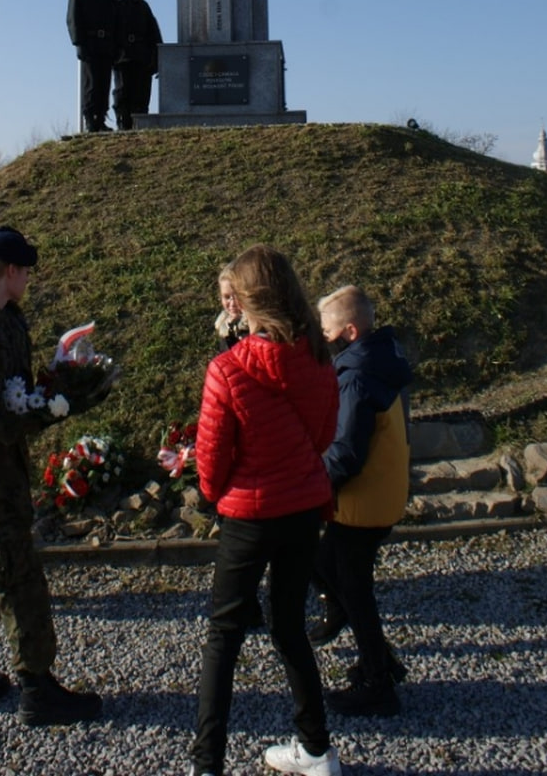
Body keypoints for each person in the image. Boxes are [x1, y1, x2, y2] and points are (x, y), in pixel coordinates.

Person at [0, 225, 106, 724]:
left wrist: (61, 389)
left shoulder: (10, 320)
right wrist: (44, 412)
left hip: (3, 474)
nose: (29, 278)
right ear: (10, 271)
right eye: (26, 269)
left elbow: (20, 388)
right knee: (20, 582)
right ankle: (38, 689)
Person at [189, 244, 342, 776]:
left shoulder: (227, 369)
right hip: (304, 511)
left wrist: (223, 495)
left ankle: (207, 764)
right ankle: (318, 751)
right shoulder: (321, 359)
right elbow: (322, 437)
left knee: (224, 636)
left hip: (249, 518)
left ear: (246, 303)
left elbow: (210, 464)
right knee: (290, 628)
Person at [310, 285, 412, 718]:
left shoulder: (355, 375)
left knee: (353, 585)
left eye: (326, 329)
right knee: (327, 567)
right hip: (382, 492)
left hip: (361, 501)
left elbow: (347, 450)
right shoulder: (380, 356)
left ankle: (378, 683)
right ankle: (380, 661)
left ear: (348, 331)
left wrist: (313, 485)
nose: (322, 336)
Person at [66, 0, 116, 132]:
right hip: (90, 44)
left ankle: (101, 117)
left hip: (107, 45)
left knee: (104, 84)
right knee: (91, 84)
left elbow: (116, 22)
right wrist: (78, 43)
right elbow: (73, 20)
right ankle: (90, 119)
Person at [112, 0, 163, 128]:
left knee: (141, 94)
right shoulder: (112, 5)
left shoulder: (142, 5)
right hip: (122, 58)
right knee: (122, 93)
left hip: (141, 58)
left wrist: (157, 58)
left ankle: (141, 124)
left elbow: (153, 32)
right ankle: (123, 124)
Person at [213, 267, 248, 350]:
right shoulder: (224, 326)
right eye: (227, 297)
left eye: (238, 297)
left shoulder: (256, 330)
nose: (232, 303)